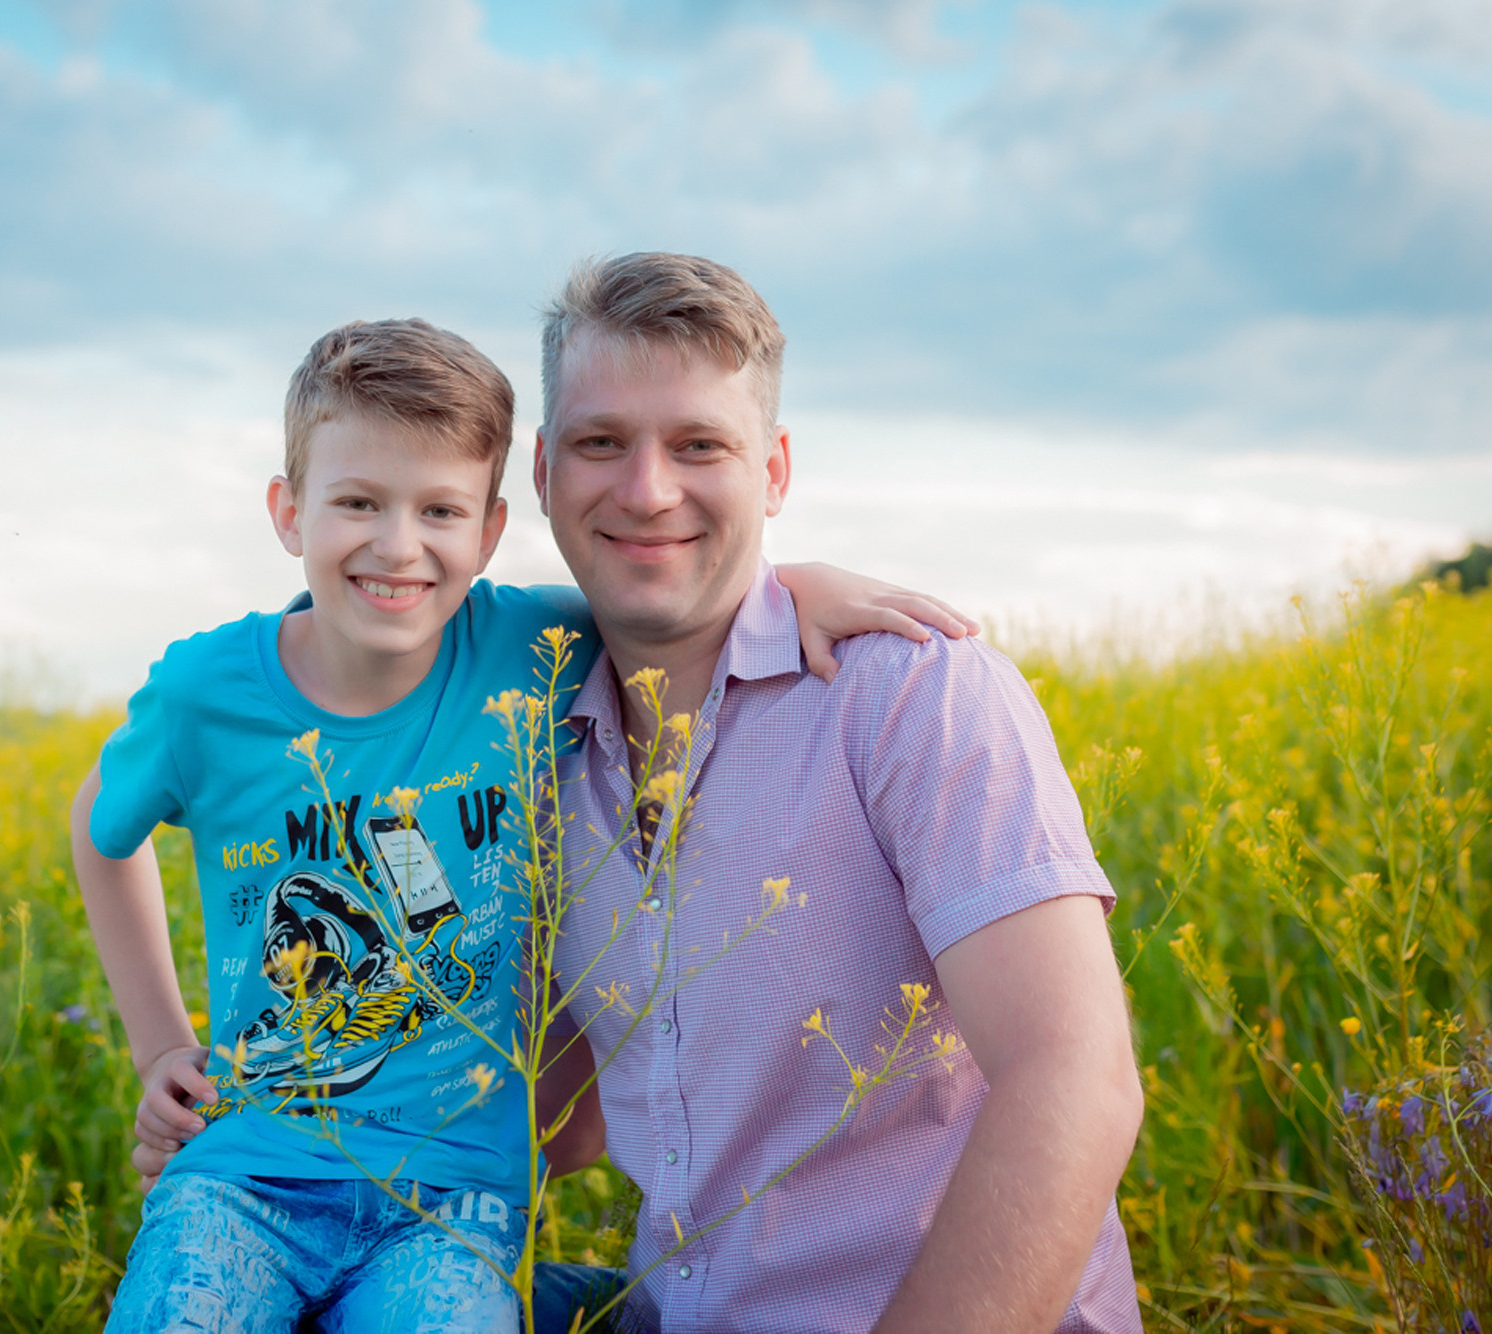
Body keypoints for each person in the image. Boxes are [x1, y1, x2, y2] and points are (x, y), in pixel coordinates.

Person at [72, 316, 973, 1332]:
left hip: (455, 1205)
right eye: (356, 502)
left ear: (491, 527)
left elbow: (684, 592)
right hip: (245, 1178)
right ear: (287, 511)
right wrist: (159, 1048)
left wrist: (800, 584)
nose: (396, 544)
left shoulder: (526, 644)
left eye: (439, 508)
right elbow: (100, 829)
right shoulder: (209, 690)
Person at [531, 253, 1145, 1333]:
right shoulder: (541, 739)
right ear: (540, 472)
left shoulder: (913, 693)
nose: (644, 489)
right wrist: (268, 1147)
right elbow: (569, 1120)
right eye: (599, 442)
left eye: (697, 445)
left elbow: (1075, 1076)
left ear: (771, 471)